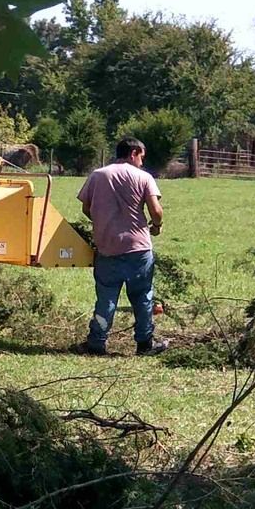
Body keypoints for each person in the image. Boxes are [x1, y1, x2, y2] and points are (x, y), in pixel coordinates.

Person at [77, 136, 166, 356]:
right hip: (138, 248)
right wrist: (156, 225)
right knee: (143, 296)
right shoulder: (144, 177)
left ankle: (97, 343)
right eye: (141, 157)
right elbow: (156, 211)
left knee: (106, 298)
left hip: (107, 247)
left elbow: (86, 208)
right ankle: (144, 344)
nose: (142, 162)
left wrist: (102, 220)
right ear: (134, 152)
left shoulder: (97, 175)